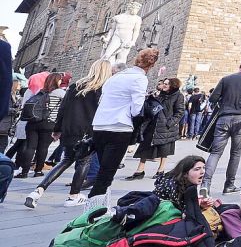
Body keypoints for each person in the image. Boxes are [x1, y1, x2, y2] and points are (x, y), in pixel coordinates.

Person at [25, 60, 112, 208]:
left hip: (69, 129)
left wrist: (57, 129)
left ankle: (38, 191)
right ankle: (73, 196)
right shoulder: (103, 89)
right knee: (84, 162)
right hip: (88, 131)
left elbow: (63, 109)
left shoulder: (74, 86)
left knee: (66, 160)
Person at [88, 48, 158, 209]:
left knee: (103, 169)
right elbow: (136, 109)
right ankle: (91, 211)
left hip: (99, 126)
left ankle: (101, 207)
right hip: (119, 128)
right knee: (106, 173)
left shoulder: (115, 77)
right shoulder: (140, 79)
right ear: (151, 65)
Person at [203, 55, 241, 194]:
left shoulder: (226, 79)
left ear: (240, 64)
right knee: (235, 153)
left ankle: (205, 185)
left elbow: (213, 98)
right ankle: (229, 184)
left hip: (223, 118)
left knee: (215, 153)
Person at [152, 155, 220, 247]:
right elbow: (185, 214)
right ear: (185, 173)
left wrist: (201, 204)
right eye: (197, 169)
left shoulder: (188, 182)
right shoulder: (174, 185)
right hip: (164, 219)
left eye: (203, 168)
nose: (202, 172)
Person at [127, 77, 185, 180]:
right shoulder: (160, 94)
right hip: (153, 124)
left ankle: (160, 170)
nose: (164, 85)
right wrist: (151, 98)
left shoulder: (178, 96)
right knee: (144, 147)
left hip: (167, 128)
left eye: (167, 84)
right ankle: (140, 170)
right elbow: (151, 107)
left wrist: (169, 123)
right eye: (164, 84)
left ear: (173, 85)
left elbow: (179, 112)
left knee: (164, 150)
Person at [17, 72, 65, 178]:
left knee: (30, 147)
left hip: (33, 122)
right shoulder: (61, 93)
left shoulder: (40, 91)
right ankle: (38, 171)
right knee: (42, 148)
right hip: (49, 123)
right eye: (60, 79)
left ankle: (24, 172)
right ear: (57, 81)